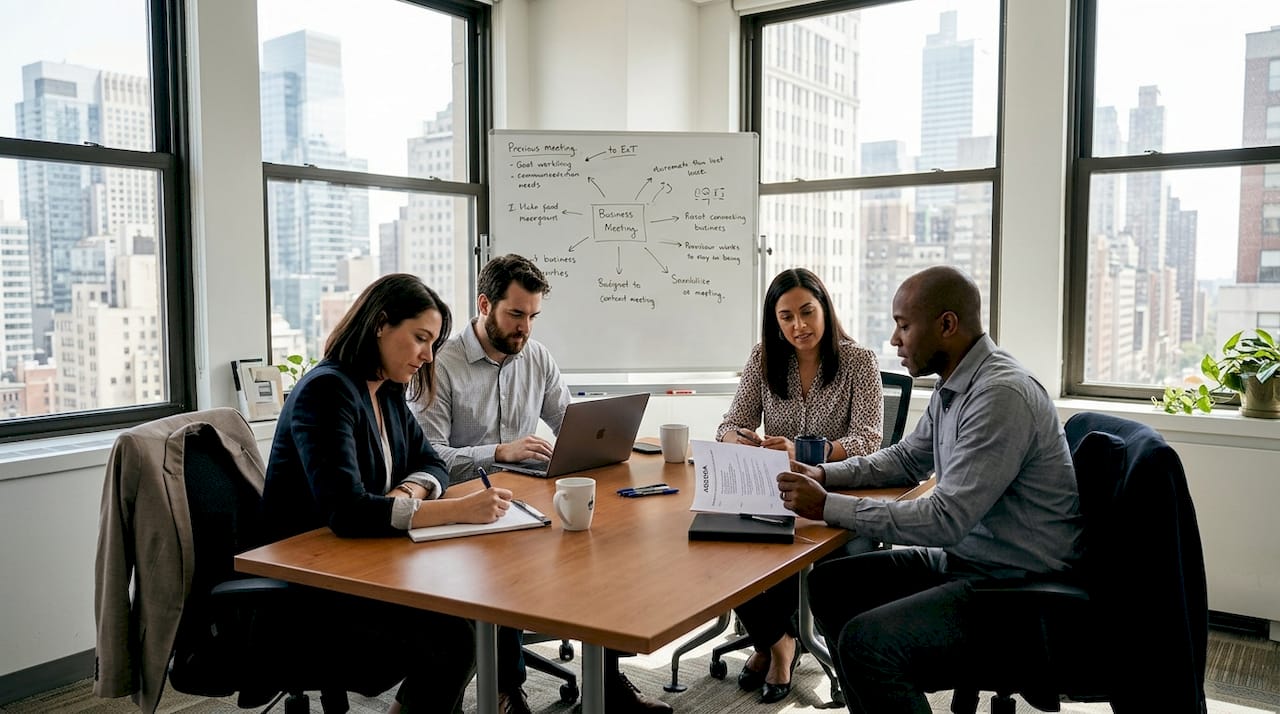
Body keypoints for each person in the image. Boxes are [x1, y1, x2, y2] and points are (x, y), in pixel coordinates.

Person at [776, 265, 1083, 714]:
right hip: (971, 561)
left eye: (903, 326)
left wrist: (827, 506)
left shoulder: (1000, 395)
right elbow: (906, 459)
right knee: (831, 585)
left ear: (946, 325)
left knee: (866, 644)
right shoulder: (955, 385)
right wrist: (824, 474)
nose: (894, 340)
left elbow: (945, 519)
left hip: (1014, 588)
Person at [416, 254, 672, 714]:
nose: (525, 329)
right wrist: (499, 451)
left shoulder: (536, 357)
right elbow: (430, 458)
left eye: (533, 316)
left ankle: (607, 683)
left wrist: (589, 444)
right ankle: (505, 689)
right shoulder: (442, 363)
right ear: (484, 305)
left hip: (527, 499)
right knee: (504, 565)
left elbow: (569, 424)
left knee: (602, 551)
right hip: (466, 510)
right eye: (516, 314)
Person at [262, 273, 514, 714]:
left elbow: (432, 462)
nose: (428, 355)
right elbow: (348, 512)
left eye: (433, 343)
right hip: (314, 585)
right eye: (420, 338)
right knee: (453, 637)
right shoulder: (327, 391)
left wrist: (407, 491)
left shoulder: (387, 390)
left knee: (474, 609)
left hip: (366, 563)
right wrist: (457, 510)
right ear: (380, 324)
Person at [715, 267, 883, 703]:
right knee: (719, 541)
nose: (798, 326)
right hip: (774, 491)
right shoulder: (763, 358)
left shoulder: (859, 362)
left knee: (815, 558)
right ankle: (778, 640)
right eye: (786, 317)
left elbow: (869, 439)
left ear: (824, 308)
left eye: (807, 312)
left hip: (835, 495)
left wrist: (809, 451)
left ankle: (777, 646)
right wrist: (740, 440)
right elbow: (730, 424)